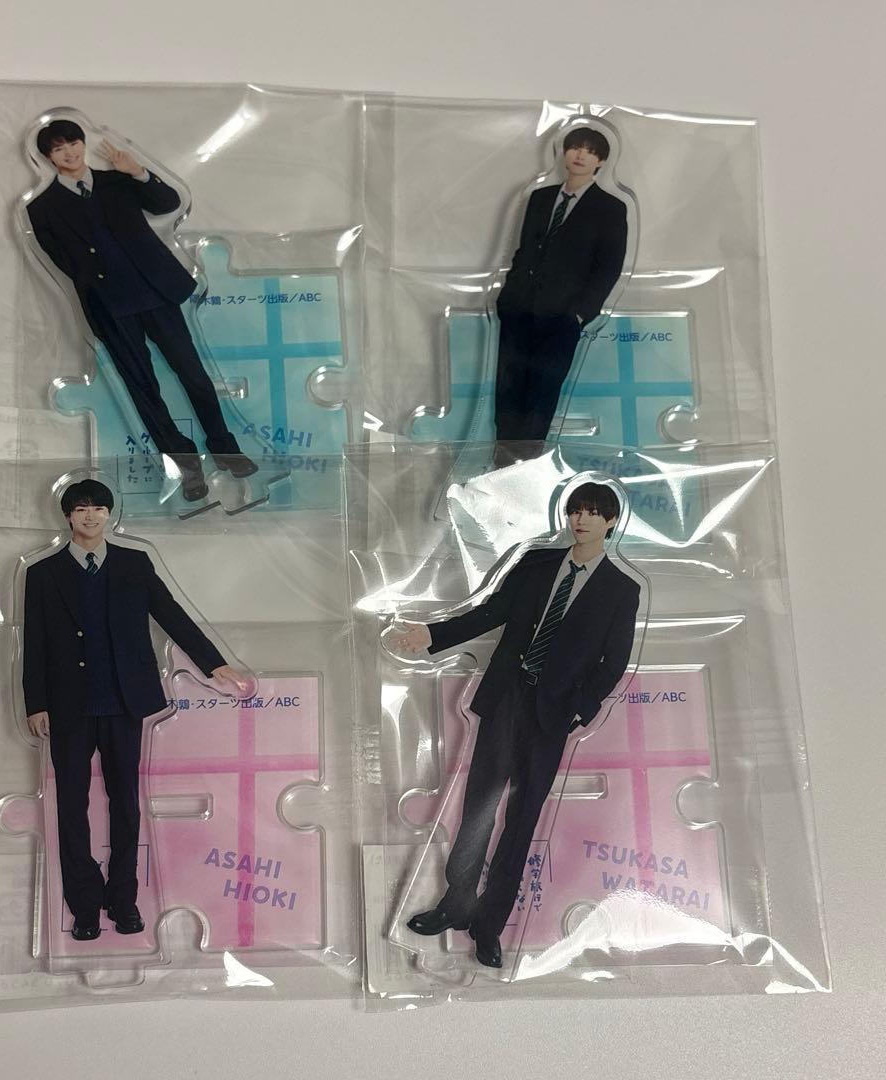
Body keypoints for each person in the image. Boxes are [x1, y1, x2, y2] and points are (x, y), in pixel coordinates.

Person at [392, 482, 640, 967]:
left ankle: (489, 926)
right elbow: (491, 613)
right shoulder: (536, 563)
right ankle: (455, 904)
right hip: (507, 698)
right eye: (576, 510)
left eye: (593, 512)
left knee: (522, 820)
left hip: (552, 714)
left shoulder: (620, 589)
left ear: (611, 521)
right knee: (479, 807)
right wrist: (431, 634)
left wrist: (579, 709)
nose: (581, 520)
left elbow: (614, 662)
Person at [22, 479, 248, 940]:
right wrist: (36, 703)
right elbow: (35, 643)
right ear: (67, 515)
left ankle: (123, 900)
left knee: (126, 803)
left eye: (98, 508)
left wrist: (213, 662)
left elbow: (171, 614)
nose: (90, 515)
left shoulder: (134, 563)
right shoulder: (44, 574)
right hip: (67, 708)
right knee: (71, 807)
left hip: (124, 703)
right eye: (81, 508)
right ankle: (85, 906)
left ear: (109, 514)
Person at [27, 119, 257, 501]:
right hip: (110, 307)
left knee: (194, 375)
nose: (68, 152)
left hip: (155, 292)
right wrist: (98, 281)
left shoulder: (118, 180)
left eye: (73, 143)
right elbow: (62, 261)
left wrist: (138, 172)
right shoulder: (42, 208)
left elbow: (167, 204)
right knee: (143, 390)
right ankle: (185, 465)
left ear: (83, 143)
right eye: (58, 148)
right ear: (48, 157)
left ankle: (225, 448)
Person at [494, 129, 628, 464]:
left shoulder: (610, 208)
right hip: (519, 310)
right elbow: (524, 251)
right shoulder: (540, 198)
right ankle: (500, 463)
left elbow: (608, 267)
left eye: (590, 151)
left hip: (562, 317)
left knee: (542, 392)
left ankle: (525, 467)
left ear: (601, 161)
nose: (580, 155)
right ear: (564, 152)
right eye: (575, 148)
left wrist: (580, 313)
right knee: (508, 388)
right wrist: (508, 297)